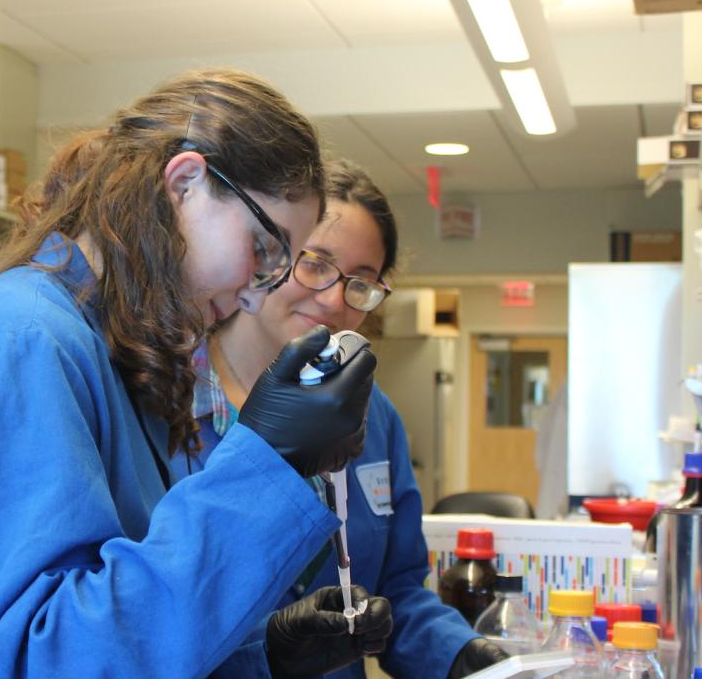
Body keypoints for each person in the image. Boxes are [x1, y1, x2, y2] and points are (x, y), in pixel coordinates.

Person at [0, 69, 384, 677]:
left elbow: (123, 616)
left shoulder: (114, 349)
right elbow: (46, 657)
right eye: (263, 248)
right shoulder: (26, 338)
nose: (255, 295)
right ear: (185, 182)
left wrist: (261, 653)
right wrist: (266, 463)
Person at [179, 160, 511, 679]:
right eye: (316, 263)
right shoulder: (171, 400)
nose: (335, 299)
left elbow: (395, 592)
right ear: (266, 254)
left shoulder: (372, 416)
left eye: (362, 281)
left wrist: (458, 654)